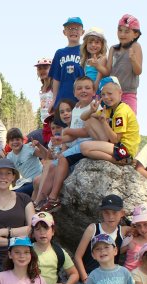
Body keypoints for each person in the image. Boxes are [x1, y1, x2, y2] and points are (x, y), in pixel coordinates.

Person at [35, 76, 97, 210]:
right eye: (79, 88)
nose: (83, 91)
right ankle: (41, 199)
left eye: (87, 88)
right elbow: (73, 135)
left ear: (94, 91)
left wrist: (68, 132)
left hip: (89, 145)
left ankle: (53, 198)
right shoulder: (76, 109)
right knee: (51, 166)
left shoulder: (93, 107)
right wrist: (62, 139)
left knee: (62, 158)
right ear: (74, 93)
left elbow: (87, 132)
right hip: (77, 146)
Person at [73, 195, 130, 284]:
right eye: (106, 212)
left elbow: (143, 231)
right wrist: (85, 278)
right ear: (101, 213)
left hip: (110, 282)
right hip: (90, 281)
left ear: (122, 213)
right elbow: (78, 256)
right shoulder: (93, 229)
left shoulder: (123, 231)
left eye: (115, 213)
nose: (110, 216)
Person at [31, 211, 78, 284]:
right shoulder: (28, 251)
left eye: (46, 228)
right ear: (32, 233)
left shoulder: (59, 252)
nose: (42, 232)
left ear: (53, 231)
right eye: (38, 229)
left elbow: (74, 273)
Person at [80, 77, 140, 167]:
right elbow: (83, 118)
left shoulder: (121, 111)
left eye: (109, 93)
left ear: (120, 93)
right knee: (89, 120)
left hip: (124, 149)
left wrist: (104, 122)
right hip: (115, 144)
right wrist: (91, 110)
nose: (106, 97)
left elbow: (116, 139)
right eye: (103, 94)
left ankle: (122, 160)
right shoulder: (109, 109)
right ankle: (117, 157)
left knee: (84, 147)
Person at [107, 14, 143, 114]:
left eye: (127, 31)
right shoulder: (113, 49)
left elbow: (138, 71)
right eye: (120, 30)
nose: (122, 34)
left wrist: (133, 59)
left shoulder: (135, 46)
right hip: (112, 93)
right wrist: (97, 66)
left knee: (128, 120)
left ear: (135, 34)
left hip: (128, 93)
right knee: (112, 122)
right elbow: (107, 71)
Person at [47, 17, 85, 107]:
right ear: (64, 32)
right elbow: (56, 78)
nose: (73, 31)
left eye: (77, 28)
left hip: (81, 98)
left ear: (82, 32)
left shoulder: (85, 51)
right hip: (62, 99)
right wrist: (54, 99)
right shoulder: (59, 53)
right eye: (70, 28)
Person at [5, 128, 43, 196]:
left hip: (39, 179)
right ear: (8, 143)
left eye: (17, 139)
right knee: (8, 194)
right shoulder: (10, 157)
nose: (15, 142)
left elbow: (47, 156)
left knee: (15, 194)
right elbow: (9, 173)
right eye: (12, 140)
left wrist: (39, 146)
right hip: (27, 181)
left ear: (22, 140)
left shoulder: (29, 147)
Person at [27, 57, 53, 146]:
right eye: (39, 68)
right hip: (44, 124)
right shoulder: (42, 89)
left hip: (53, 123)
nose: (42, 71)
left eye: (45, 68)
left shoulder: (54, 87)